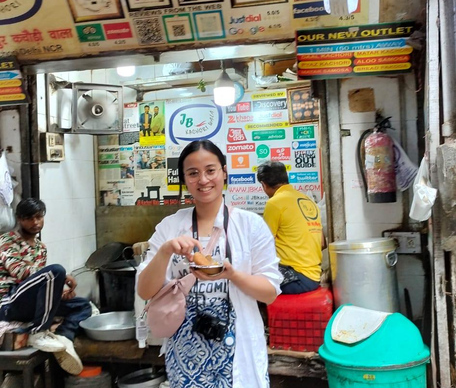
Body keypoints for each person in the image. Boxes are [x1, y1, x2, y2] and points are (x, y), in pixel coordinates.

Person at [137, 140, 281, 388]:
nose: (203, 180)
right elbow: (145, 291)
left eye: (210, 170)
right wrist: (165, 251)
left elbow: (269, 293)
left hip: (237, 343)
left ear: (224, 172)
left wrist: (232, 275)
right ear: (184, 179)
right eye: (193, 173)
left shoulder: (250, 226)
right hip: (185, 348)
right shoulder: (170, 227)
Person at [0, 198, 91, 341]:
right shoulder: (8, 240)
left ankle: (64, 336)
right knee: (56, 270)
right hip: (7, 304)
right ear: (19, 219)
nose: (35, 222)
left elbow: (41, 284)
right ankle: (39, 331)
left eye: (39, 217)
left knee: (82, 306)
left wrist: (59, 292)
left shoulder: (40, 248)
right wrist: (62, 277)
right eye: (29, 218)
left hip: (29, 304)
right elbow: (19, 272)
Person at [256, 161, 323, 294]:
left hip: (297, 278)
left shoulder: (275, 203)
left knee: (247, 280)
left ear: (264, 185)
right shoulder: (307, 200)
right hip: (314, 276)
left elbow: (263, 244)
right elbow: (322, 242)